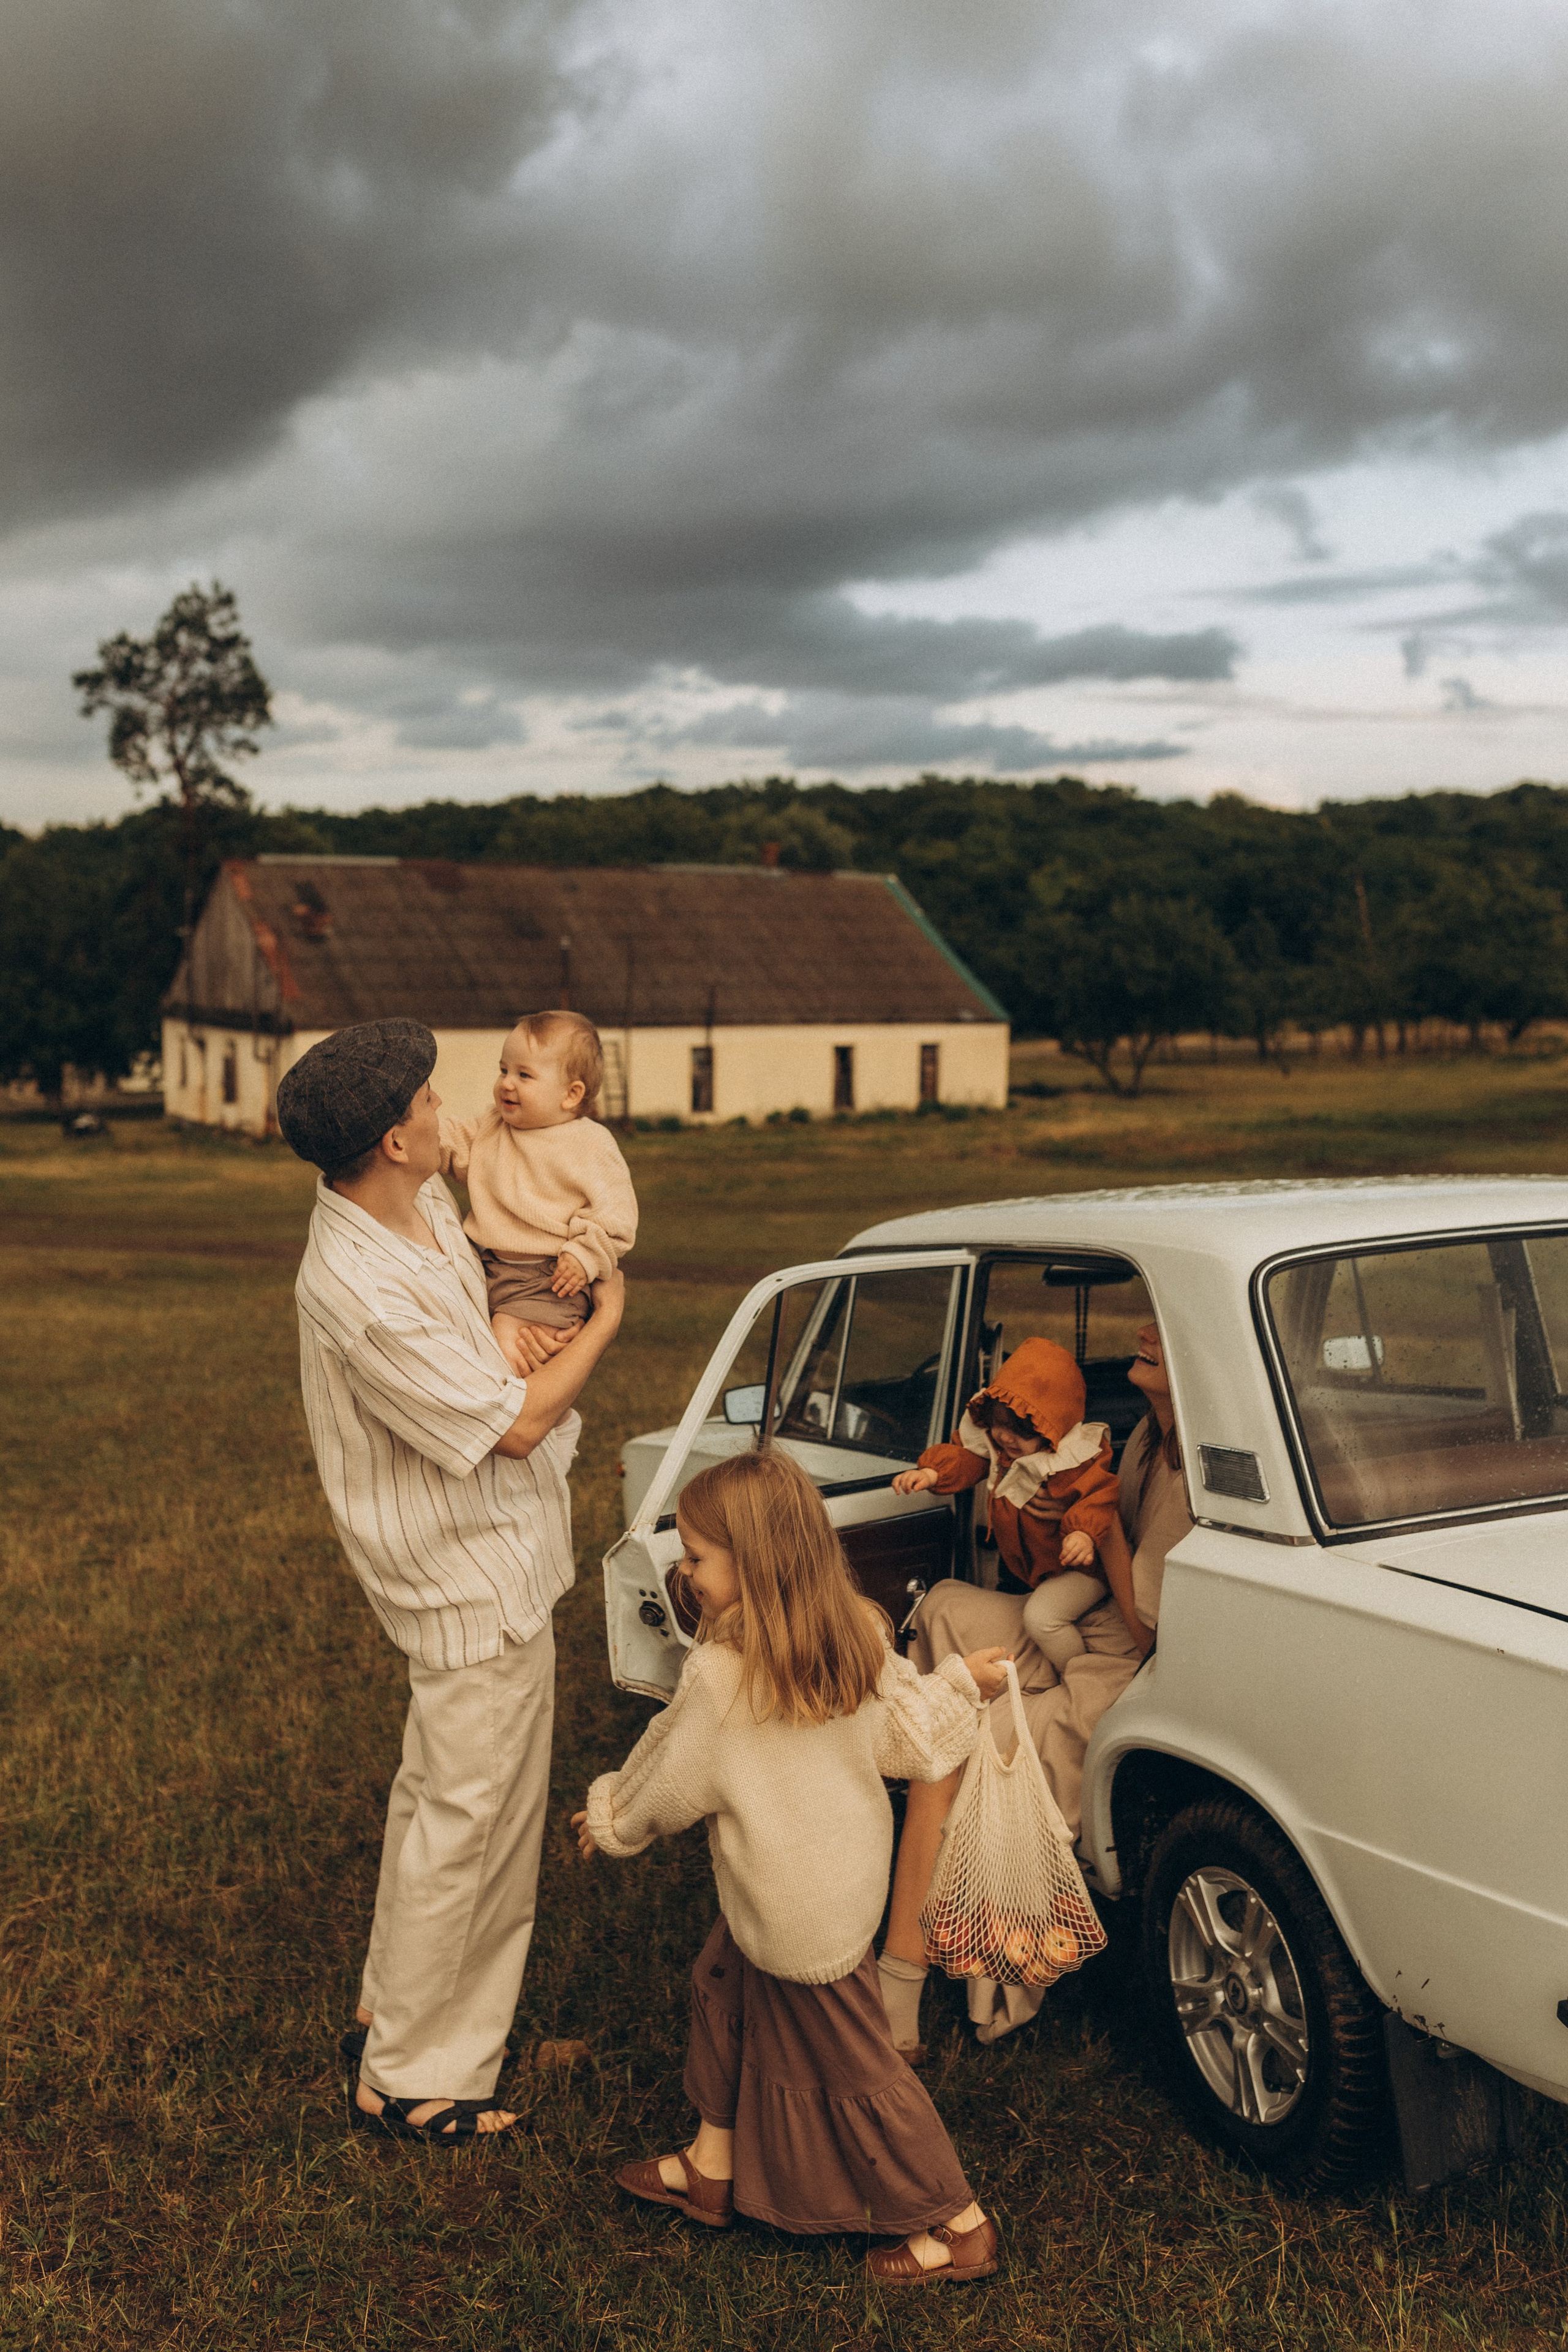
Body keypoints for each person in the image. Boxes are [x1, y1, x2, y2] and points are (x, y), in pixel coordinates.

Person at [277, 1019, 625, 2143]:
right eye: (430, 1105)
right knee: (477, 1823)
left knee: (440, 1803)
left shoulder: (418, 1206)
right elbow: (518, 1426)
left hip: (496, 1561)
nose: (450, 1112)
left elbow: (501, 1267)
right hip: (460, 1578)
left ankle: (393, 2007)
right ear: (392, 1138)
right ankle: (416, 2074)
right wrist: (606, 1316)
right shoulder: (356, 1286)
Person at [573, 1451, 1011, 2283]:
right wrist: (960, 1682)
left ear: (756, 1561)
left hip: (791, 1910)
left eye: (698, 1557)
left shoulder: (722, 1676)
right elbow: (904, 1738)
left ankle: (957, 2223)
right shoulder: (855, 1631)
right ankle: (714, 2162)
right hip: (834, 1889)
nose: (686, 1571)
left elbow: (671, 1779)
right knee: (722, 1982)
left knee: (862, 2070)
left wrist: (613, 1821)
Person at [878, 1322, 1191, 2059]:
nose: (1143, 1329)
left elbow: (1147, 1634)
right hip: (1082, 1613)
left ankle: (985, 1964)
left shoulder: (1176, 1467)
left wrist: (1096, 1532)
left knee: (989, 1748)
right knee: (946, 1606)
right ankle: (911, 1787)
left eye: (1164, 1325)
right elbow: (972, 1465)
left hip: (1122, 1649)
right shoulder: (1147, 1433)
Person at [891, 1336, 1121, 1669]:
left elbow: (1099, 1495)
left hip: (1079, 1569)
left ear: (1050, 1432)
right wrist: (931, 1474)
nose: (1006, 1438)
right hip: (1035, 1567)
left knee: (1042, 1618)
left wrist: (1083, 1533)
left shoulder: (1070, 1461)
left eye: (1021, 1433)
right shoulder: (1003, 1450)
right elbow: (969, 1460)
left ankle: (1081, 1671)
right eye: (999, 1425)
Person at [439, 1009, 637, 1378]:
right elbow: (449, 1142)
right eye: (503, 1070)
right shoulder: (493, 1128)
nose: (507, 1084)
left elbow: (616, 1216)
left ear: (570, 1094)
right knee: (471, 1349)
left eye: (524, 1075)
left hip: (549, 1283)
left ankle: (529, 1427)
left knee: (504, 1364)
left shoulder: (589, 1144)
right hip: (490, 1269)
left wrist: (583, 1255)